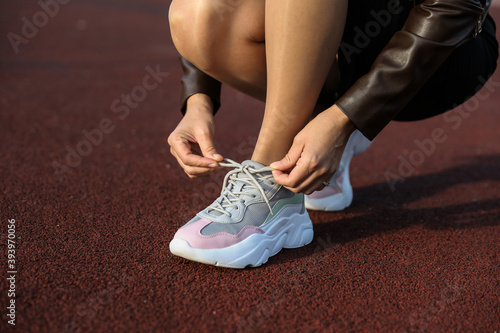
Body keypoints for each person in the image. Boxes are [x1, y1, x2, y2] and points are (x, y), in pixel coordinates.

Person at [167, 0, 498, 268]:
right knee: (195, 14)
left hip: (444, 51)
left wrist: (344, 119)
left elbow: (456, 7)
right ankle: (310, 143)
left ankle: (273, 184)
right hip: (340, 30)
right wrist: (199, 99)